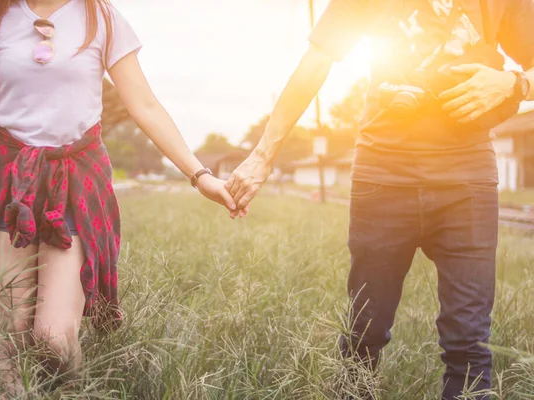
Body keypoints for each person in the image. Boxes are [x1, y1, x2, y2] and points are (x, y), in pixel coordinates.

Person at [226, 1, 534, 398]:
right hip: (383, 176)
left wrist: (515, 84)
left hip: (467, 181)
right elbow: (316, 60)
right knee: (363, 335)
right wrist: (262, 155)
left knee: (470, 344)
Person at [0, 0, 242, 397]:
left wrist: (199, 175)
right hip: (7, 179)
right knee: (11, 334)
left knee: (54, 338)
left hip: (76, 178)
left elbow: (145, 106)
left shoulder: (102, 17)